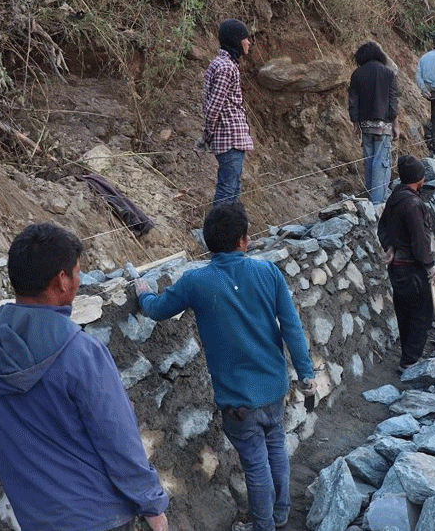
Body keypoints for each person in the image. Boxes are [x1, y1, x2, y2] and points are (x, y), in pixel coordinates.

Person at [0, 223, 170, 531]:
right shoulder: (81, 353)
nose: (79, 280)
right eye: (77, 273)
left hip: (37, 519)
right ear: (62, 280)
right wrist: (152, 505)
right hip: (99, 517)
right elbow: (117, 439)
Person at [135, 203, 316, 531]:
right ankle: (280, 514)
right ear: (243, 241)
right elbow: (291, 327)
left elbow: (158, 309)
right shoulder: (268, 273)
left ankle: (264, 526)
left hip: (239, 401)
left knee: (256, 466)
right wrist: (306, 374)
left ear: (208, 242)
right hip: (274, 388)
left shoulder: (196, 281)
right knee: (276, 448)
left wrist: (143, 295)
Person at [378, 156, 435, 370]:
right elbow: (419, 238)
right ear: (419, 178)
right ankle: (410, 360)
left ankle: (408, 355)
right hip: (412, 268)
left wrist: (389, 246)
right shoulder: (413, 204)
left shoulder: (395, 197)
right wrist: (429, 265)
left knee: (404, 312)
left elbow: (382, 227)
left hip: (397, 267)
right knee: (420, 314)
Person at [203, 18, 254, 206]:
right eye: (245, 38)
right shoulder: (226, 67)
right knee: (228, 191)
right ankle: (219, 225)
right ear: (235, 40)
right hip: (229, 138)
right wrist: (208, 134)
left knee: (232, 189)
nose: (248, 42)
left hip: (230, 139)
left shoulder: (223, 64)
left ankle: (227, 224)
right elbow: (213, 107)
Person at [348, 41, 399, 204]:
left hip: (365, 126)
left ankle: (371, 201)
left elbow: (353, 102)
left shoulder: (357, 74)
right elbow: (393, 102)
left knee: (369, 161)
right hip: (384, 126)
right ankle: (377, 204)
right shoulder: (388, 73)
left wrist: (355, 125)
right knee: (381, 163)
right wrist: (395, 125)